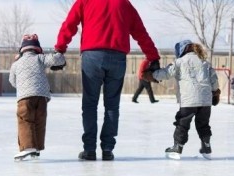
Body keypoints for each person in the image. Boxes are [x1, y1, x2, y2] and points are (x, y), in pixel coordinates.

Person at [54, 0, 160, 160]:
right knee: (112, 105)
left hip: (92, 56)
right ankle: (107, 149)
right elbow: (140, 32)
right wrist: (153, 57)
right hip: (117, 57)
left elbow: (70, 24)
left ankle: (89, 150)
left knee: (90, 104)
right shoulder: (124, 4)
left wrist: (60, 49)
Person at [142, 40, 220, 160]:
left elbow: (166, 73)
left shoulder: (179, 62)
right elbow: (214, 78)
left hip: (188, 101)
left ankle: (177, 147)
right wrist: (215, 93)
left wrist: (151, 75)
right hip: (205, 101)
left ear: (181, 50)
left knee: (182, 124)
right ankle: (206, 147)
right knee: (203, 124)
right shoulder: (205, 62)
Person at [9, 34, 66, 160]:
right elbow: (59, 59)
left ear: (22, 50)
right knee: (39, 120)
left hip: (25, 97)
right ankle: (37, 147)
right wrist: (59, 53)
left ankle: (28, 147)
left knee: (25, 120)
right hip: (41, 96)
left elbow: (12, 81)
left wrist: (22, 85)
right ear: (37, 49)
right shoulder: (40, 58)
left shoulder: (16, 64)